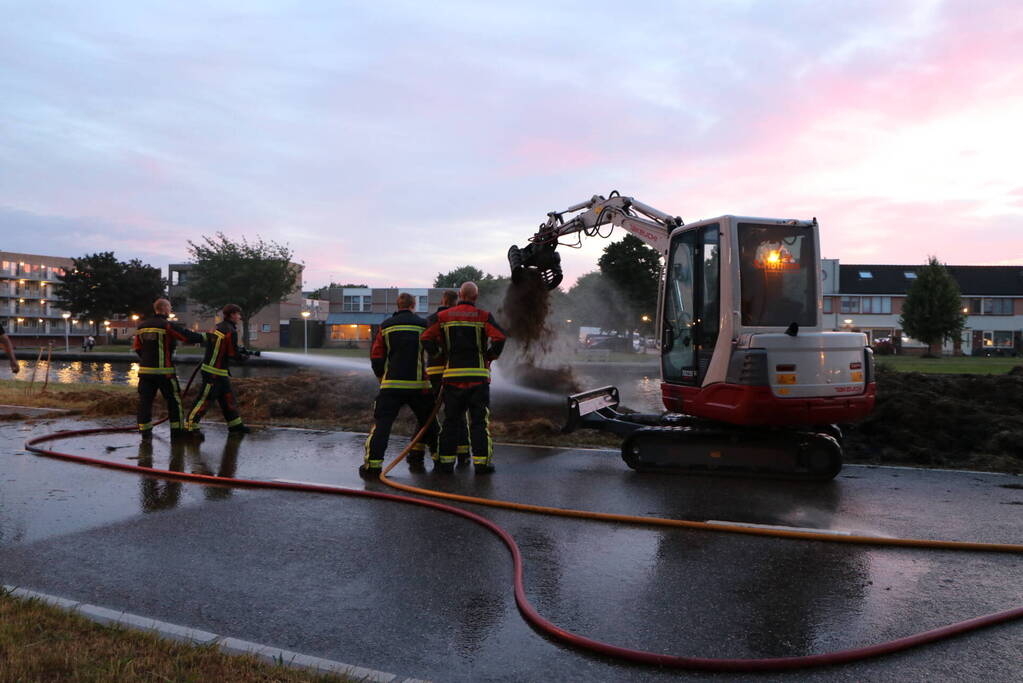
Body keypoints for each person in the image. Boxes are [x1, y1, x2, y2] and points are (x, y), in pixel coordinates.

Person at [421, 281, 506, 474]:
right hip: (478, 378)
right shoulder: (483, 316)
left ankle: (445, 462)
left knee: (451, 420)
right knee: (478, 422)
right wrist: (490, 356)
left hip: (452, 379)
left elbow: (426, 337)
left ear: (460, 294)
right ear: (475, 297)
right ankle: (482, 463)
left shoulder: (442, 316)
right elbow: (500, 337)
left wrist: (437, 353)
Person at [360, 292, 438, 478]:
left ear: (398, 306)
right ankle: (441, 460)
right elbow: (434, 351)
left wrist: (381, 377)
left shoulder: (385, 326)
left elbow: (376, 356)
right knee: (430, 424)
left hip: (392, 385)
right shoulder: (423, 325)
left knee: (382, 426)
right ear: (413, 306)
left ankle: (373, 466)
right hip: (419, 386)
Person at [133, 298, 205, 439]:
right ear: (165, 309)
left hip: (145, 372)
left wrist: (147, 362)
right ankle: (177, 432)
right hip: (164, 373)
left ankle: (145, 433)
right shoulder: (165, 325)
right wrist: (208, 337)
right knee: (174, 401)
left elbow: (137, 348)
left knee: (145, 402)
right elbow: (186, 337)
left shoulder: (141, 327)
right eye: (170, 308)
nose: (170, 310)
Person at [185, 304, 254, 437]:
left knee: (228, 399)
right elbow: (233, 354)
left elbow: (223, 347)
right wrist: (244, 357)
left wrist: (239, 349)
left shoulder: (219, 327)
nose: (239, 317)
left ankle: (235, 426)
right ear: (232, 315)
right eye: (238, 314)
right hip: (213, 373)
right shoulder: (230, 331)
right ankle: (190, 426)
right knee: (204, 399)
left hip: (219, 372)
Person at [425, 290, 470, 464]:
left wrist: (435, 354)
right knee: (457, 413)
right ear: (455, 301)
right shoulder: (458, 318)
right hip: (454, 371)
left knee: (429, 413)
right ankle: (463, 454)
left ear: (443, 300)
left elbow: (426, 341)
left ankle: (426, 452)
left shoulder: (431, 318)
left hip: (435, 371)